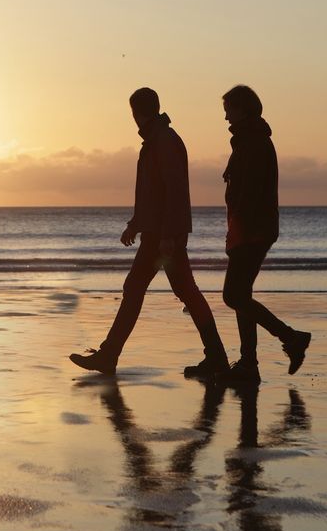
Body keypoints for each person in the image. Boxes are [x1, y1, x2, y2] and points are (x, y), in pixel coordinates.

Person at [70, 87, 228, 377]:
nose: (132, 119)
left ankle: (109, 355)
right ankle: (215, 355)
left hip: (163, 236)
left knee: (144, 289)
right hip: (159, 232)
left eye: (133, 113)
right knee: (177, 291)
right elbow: (151, 193)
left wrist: (168, 235)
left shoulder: (164, 141)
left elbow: (173, 191)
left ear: (139, 112)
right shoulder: (156, 141)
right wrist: (135, 223)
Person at [216, 84, 311, 385]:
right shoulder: (248, 140)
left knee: (233, 295)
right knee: (242, 296)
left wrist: (239, 231)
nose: (226, 117)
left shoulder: (254, 142)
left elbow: (249, 194)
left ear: (243, 108)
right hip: (250, 229)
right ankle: (248, 364)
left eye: (229, 110)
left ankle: (291, 338)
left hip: (253, 230)